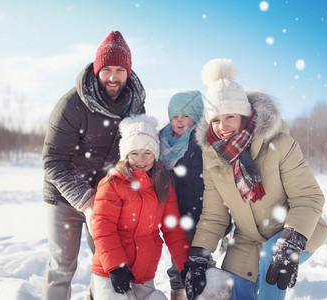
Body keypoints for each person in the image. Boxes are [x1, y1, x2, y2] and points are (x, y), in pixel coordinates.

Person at [182, 58, 327, 300]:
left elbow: (308, 197)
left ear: (243, 115)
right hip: (247, 239)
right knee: (236, 290)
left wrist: (292, 240)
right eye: (216, 120)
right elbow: (214, 215)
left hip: (296, 229)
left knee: (273, 258)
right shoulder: (213, 158)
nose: (222, 126)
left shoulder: (280, 144)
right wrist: (199, 255)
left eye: (229, 116)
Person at [42, 30, 146, 300]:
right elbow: (54, 161)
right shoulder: (72, 105)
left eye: (120, 70)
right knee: (62, 265)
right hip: (64, 194)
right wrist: (86, 201)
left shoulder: (135, 104)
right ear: (97, 69)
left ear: (128, 71)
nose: (113, 77)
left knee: (105, 263)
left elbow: (135, 151)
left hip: (106, 195)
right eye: (107, 69)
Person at [90, 114, 190, 300]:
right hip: (110, 272)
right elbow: (103, 227)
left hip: (143, 274)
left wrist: (186, 268)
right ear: (126, 155)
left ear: (155, 155)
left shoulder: (163, 184)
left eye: (147, 153)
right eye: (134, 154)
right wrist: (116, 266)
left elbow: (173, 230)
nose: (141, 160)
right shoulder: (113, 183)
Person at [159, 91, 204, 300]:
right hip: (173, 212)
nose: (179, 121)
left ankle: (198, 294)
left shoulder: (201, 142)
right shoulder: (162, 140)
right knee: (177, 263)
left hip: (198, 212)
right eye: (175, 116)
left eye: (185, 116)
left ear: (196, 117)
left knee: (197, 262)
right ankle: (178, 295)